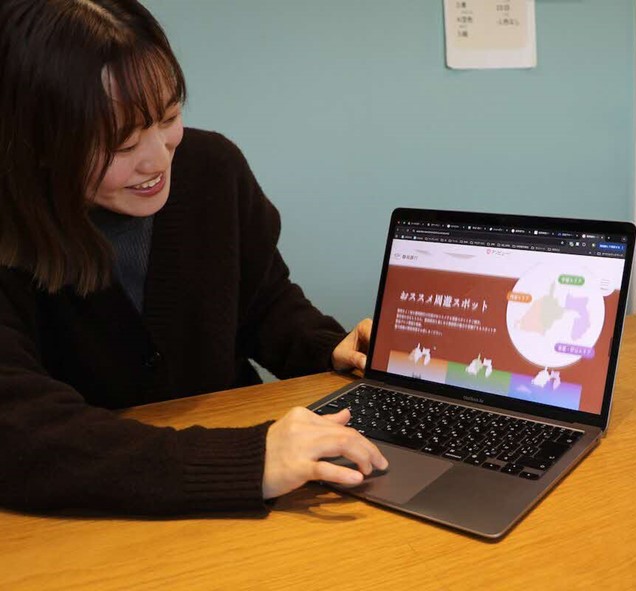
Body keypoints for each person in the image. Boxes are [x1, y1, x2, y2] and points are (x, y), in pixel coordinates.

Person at [0, 0, 387, 515]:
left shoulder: (212, 168)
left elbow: (263, 302)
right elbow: (22, 432)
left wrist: (325, 346)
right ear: (38, 142)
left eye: (168, 117)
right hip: (94, 514)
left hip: (241, 496)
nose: (158, 159)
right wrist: (249, 460)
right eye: (119, 145)